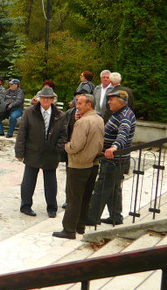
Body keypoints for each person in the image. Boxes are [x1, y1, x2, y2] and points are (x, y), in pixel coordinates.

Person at [52, 94, 104, 239]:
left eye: (80, 103)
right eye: (77, 102)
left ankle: (69, 230)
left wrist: (66, 146)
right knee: (86, 197)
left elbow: (76, 145)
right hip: (93, 163)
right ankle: (80, 226)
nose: (77, 106)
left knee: (73, 198)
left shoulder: (82, 123)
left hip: (79, 164)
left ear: (89, 105)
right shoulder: (99, 119)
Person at [15, 86, 67, 218]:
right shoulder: (29, 112)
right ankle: (25, 205)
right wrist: (19, 152)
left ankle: (52, 208)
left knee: (50, 182)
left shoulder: (59, 115)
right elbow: (22, 133)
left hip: (50, 153)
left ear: (52, 100)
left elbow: (63, 134)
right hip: (33, 151)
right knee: (28, 180)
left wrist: (57, 148)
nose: (45, 100)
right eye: (43, 98)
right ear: (39, 99)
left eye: (48, 98)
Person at [86, 90, 136, 226]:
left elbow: (123, 133)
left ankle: (92, 218)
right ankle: (116, 216)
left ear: (120, 102)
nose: (108, 102)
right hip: (118, 160)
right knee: (114, 189)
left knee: (101, 188)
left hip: (114, 160)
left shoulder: (124, 116)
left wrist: (114, 147)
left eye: (111, 99)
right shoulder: (121, 113)